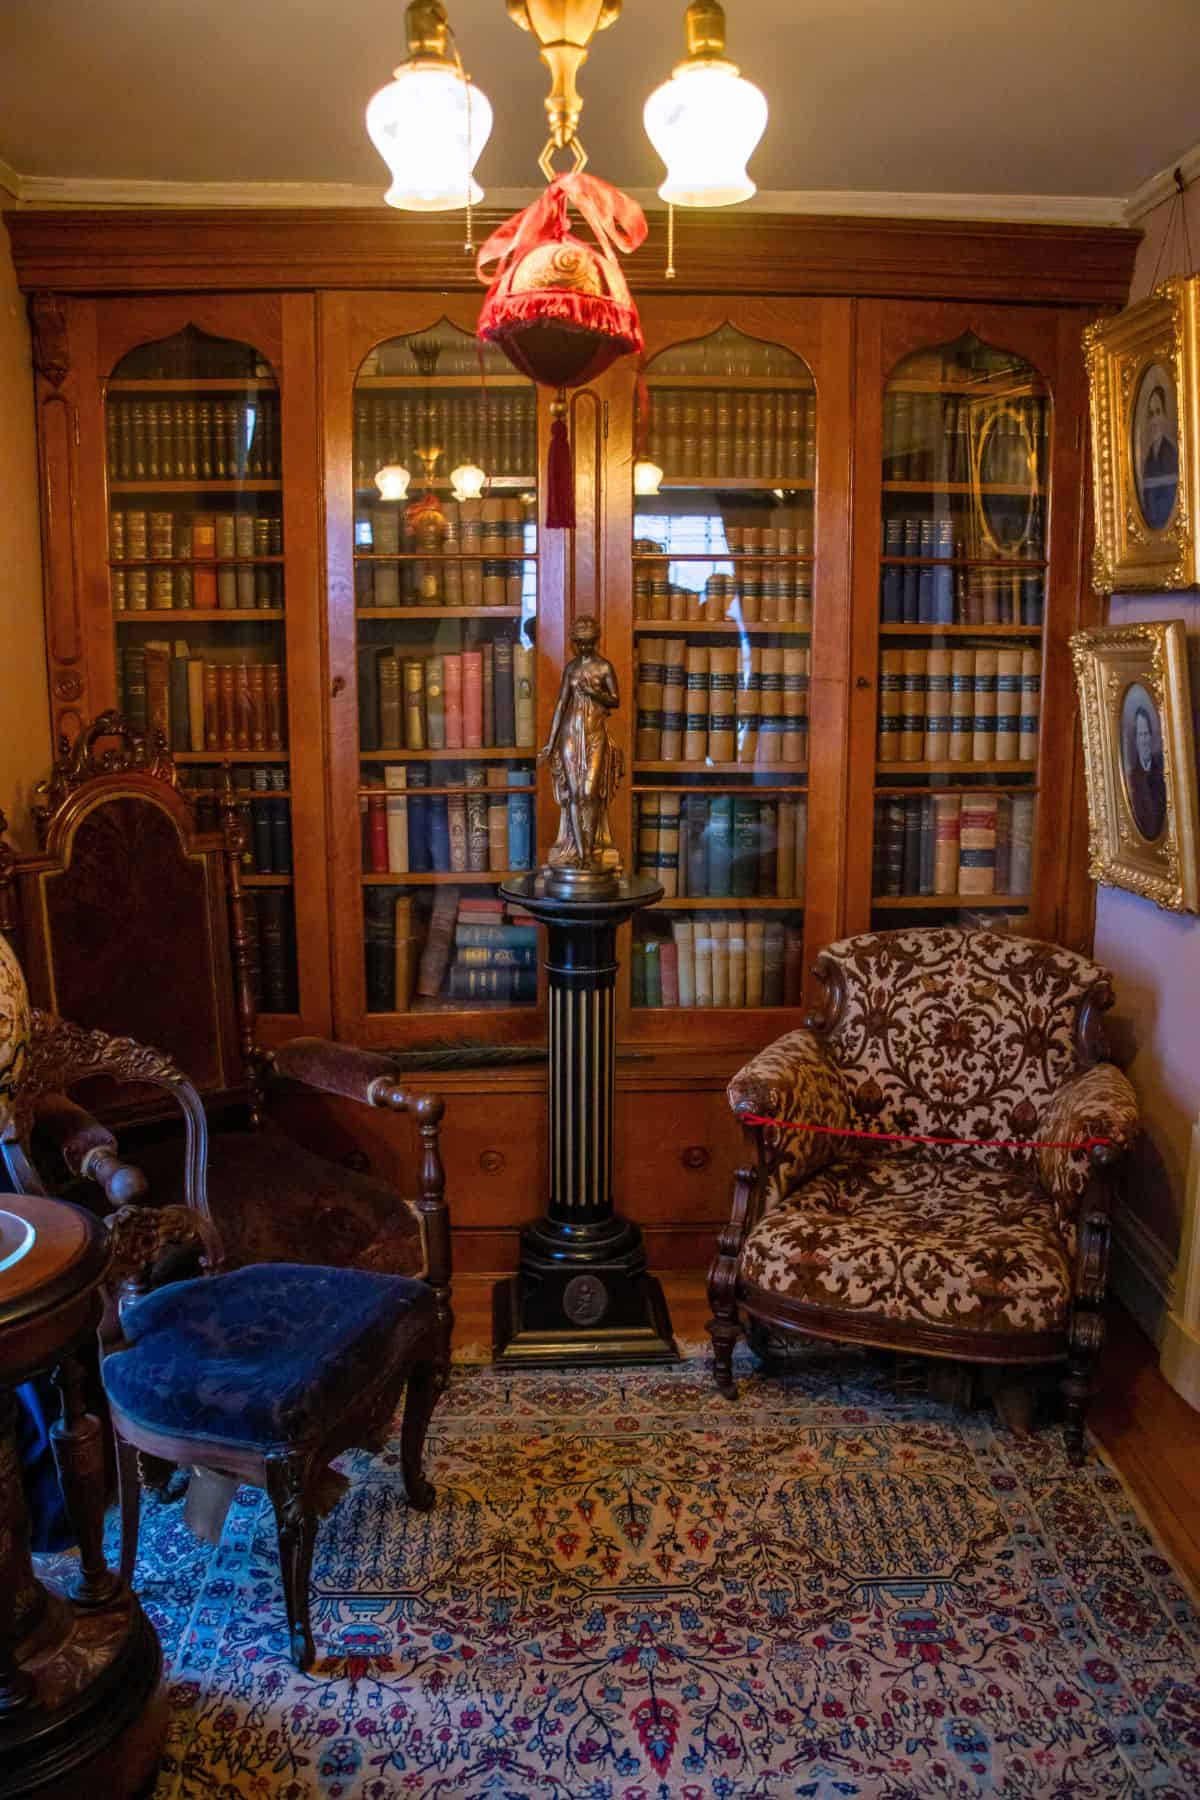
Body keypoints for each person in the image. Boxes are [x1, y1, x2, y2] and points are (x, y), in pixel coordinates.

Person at [539, 614, 624, 877]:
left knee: (591, 791)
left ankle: (591, 846)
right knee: (575, 794)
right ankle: (583, 855)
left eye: (589, 643)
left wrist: (593, 692)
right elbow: (560, 705)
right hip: (570, 735)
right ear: (574, 643)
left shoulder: (604, 667)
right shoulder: (571, 668)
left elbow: (615, 699)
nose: (584, 647)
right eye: (580, 643)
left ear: (596, 640)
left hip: (594, 734)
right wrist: (550, 742)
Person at [1139, 382, 1179, 530]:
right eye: (1150, 414)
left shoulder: (1172, 454)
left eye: (1158, 412)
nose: (1154, 421)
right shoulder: (1148, 459)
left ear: (1164, 416)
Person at [1126, 702, 1167, 840]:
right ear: (1136, 741)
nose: (1144, 741)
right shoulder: (1132, 779)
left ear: (1150, 736)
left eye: (1146, 734)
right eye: (1140, 735)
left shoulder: (1162, 769)